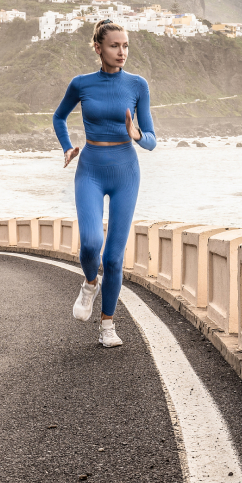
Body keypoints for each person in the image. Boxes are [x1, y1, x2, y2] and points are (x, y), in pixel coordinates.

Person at [53, 19, 157, 347]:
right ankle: (88, 283)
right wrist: (67, 146)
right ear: (98, 48)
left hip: (127, 173)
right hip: (91, 170)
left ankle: (108, 325)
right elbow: (59, 117)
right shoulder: (81, 84)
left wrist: (137, 134)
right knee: (90, 243)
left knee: (113, 258)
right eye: (115, 45)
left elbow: (152, 140)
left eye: (125, 45)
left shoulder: (138, 85)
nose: (122, 51)